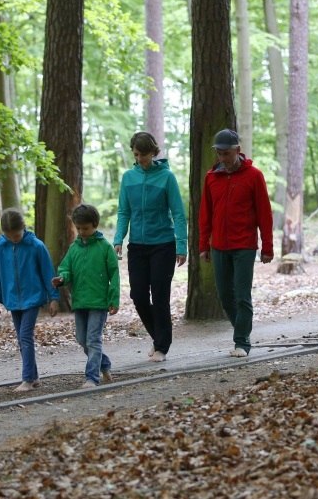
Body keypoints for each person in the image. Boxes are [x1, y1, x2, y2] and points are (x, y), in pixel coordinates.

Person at [198, 128, 274, 358]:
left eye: (226, 153)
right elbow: (205, 213)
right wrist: (203, 244)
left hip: (244, 245)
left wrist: (267, 246)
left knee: (242, 295)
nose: (223, 158)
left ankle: (241, 342)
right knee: (225, 295)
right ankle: (242, 328)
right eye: (219, 154)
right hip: (219, 245)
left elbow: (264, 214)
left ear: (237, 151)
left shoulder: (254, 176)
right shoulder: (211, 177)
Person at [113, 132, 188, 363]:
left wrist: (181, 244)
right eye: (136, 155)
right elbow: (124, 211)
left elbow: (178, 213)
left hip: (163, 245)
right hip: (137, 246)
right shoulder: (128, 178)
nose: (140, 159)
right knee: (137, 294)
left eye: (144, 155)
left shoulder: (167, 178)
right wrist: (118, 239)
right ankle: (159, 338)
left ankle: (162, 347)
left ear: (153, 153)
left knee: (160, 295)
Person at [0, 208, 60, 392]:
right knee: (22, 339)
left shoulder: (36, 246)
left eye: (17, 235)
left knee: (25, 336)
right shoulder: (1, 247)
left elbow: (48, 273)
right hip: (12, 299)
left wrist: (53, 297)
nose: (14, 239)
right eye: (10, 236)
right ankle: (34, 377)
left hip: (33, 297)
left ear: (24, 228)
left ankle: (27, 379)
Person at [52, 204, 121, 388]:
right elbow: (65, 268)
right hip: (80, 301)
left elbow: (114, 274)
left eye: (86, 228)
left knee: (93, 339)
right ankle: (104, 364)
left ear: (95, 225)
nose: (82, 232)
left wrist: (113, 299)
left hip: (99, 302)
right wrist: (62, 278)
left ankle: (91, 377)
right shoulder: (74, 248)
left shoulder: (105, 247)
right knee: (82, 340)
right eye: (79, 228)